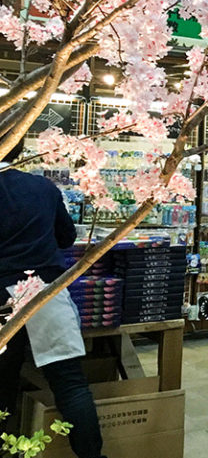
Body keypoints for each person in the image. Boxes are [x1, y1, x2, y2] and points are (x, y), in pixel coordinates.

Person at [0, 140, 105, 458]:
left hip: (0, 297)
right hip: (44, 291)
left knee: (1, 388)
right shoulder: (42, 187)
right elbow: (66, 236)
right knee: (71, 384)